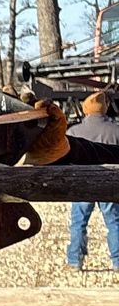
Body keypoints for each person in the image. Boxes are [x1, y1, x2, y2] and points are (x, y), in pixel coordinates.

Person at [67, 89, 119, 270]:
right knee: (114, 222)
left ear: (86, 109)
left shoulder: (73, 131)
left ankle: (75, 261)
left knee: (78, 223)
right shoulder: (116, 131)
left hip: (82, 183)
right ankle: (117, 261)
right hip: (109, 183)